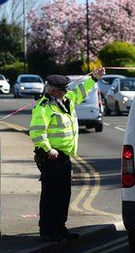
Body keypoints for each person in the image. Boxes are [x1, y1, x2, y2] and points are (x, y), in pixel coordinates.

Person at [29, 67, 105, 241]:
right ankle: (48, 231)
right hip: (51, 157)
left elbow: (81, 91)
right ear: (55, 91)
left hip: (64, 157)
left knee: (64, 195)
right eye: (64, 89)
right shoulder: (43, 107)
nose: (67, 91)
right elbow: (37, 132)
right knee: (50, 196)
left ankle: (60, 227)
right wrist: (47, 149)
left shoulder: (67, 100)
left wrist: (94, 78)